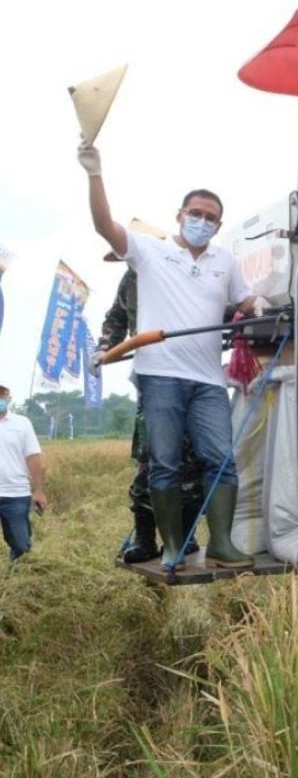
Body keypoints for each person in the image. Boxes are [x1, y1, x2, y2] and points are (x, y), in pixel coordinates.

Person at [78, 144, 257, 570]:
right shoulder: (150, 253)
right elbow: (105, 225)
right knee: (162, 464)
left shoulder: (225, 261)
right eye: (195, 213)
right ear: (179, 215)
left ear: (219, 224)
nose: (202, 221)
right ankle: (171, 545)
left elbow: (244, 301)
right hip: (159, 376)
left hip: (209, 380)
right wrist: (94, 174)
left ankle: (221, 545)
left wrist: (258, 305)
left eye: (211, 217)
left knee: (220, 459)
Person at [90, 257, 204, 564]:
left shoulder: (182, 273)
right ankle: (145, 538)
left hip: (191, 377)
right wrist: (104, 347)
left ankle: (184, 536)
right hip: (152, 380)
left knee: (191, 464)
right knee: (148, 461)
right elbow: (115, 319)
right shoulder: (131, 279)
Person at [0, 380, 47, 560]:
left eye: (2, 394)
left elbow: (33, 457)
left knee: (21, 544)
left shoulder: (22, 423)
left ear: (8, 397)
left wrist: (39, 491)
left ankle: (16, 574)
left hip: (16, 494)